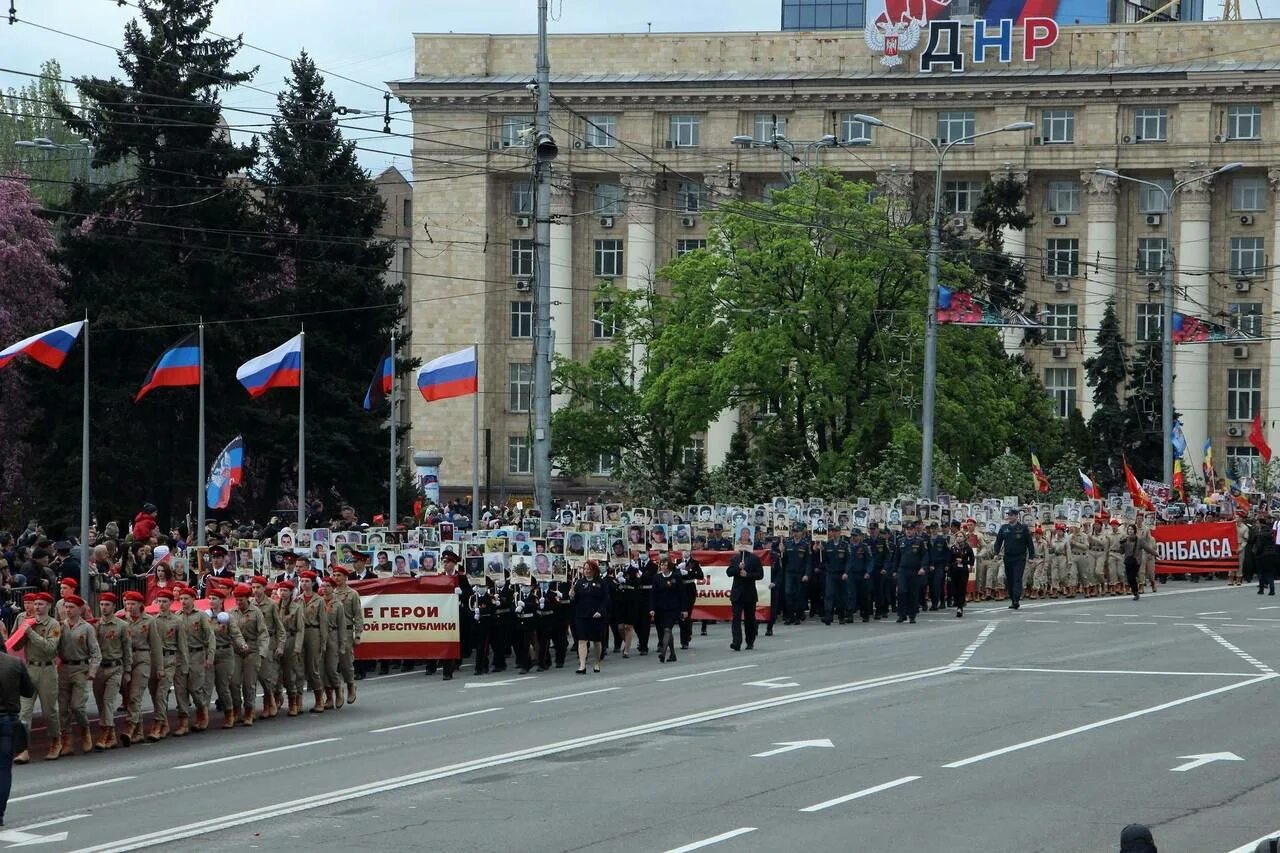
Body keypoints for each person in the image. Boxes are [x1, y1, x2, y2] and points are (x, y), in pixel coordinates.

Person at [14, 591, 61, 761]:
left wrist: (31, 633)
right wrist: (22, 631)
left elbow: (50, 648)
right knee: (24, 711)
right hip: (30, 668)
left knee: (50, 711)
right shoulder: (27, 622)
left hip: (47, 670)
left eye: (41, 604)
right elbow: (16, 644)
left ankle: (56, 740)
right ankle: (23, 749)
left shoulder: (53, 625)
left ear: (48, 606)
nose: (37, 607)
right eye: (35, 604)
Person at [55, 593, 101, 756]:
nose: (68, 610)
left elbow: (96, 653)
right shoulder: (60, 626)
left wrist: (92, 671)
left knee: (77, 706)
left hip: (80, 668)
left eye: (71, 607)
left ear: (80, 609)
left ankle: (85, 730)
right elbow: (53, 648)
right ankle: (67, 740)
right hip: (63, 669)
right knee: (63, 708)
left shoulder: (87, 628)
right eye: (66, 607)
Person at [92, 592, 131, 750]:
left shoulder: (122, 626)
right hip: (99, 668)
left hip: (115, 668)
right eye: (101, 604)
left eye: (107, 604)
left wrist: (127, 671)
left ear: (114, 606)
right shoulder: (95, 626)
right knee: (100, 703)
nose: (104, 608)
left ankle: (105, 732)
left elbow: (127, 649)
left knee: (108, 701)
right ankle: (112, 735)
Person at [122, 590, 161, 746]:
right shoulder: (122, 620)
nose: (129, 607)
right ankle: (138, 731)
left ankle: (130, 727)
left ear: (140, 605)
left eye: (132, 604)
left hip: (143, 658)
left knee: (135, 695)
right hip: (126, 660)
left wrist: (159, 667)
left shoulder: (149, 621)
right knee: (128, 696)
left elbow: (156, 646)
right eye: (127, 603)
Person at [0, 648, 34, 825]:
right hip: (8, 720)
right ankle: (0, 813)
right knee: (4, 769)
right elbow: (28, 691)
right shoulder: (14, 663)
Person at [174, 586, 214, 734]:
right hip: (180, 657)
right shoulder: (176, 616)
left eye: (186, 598)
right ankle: (183, 722)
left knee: (196, 688)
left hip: (197, 655)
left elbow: (210, 638)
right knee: (180, 690)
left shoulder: (201, 616)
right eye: (181, 599)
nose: (183, 601)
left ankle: (202, 713)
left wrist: (210, 657)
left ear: (193, 599)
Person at [570, 560, 609, 673]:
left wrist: (600, 611)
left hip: (596, 616)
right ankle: (582, 665)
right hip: (582, 615)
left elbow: (605, 599)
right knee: (582, 640)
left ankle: (596, 662)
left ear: (594, 571)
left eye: (589, 569)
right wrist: (572, 595)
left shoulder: (601, 583)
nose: (586, 571)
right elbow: (575, 600)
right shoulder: (579, 582)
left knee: (596, 641)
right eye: (585, 569)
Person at [994, 508, 1035, 610]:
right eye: (1009, 515)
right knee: (1009, 579)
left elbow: (1029, 543)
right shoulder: (1004, 528)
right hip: (1008, 557)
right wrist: (996, 553)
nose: (1010, 517)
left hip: (1019, 557)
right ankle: (1013, 600)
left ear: (1017, 516)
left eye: (1012, 515)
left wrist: (1031, 557)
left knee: (1017, 578)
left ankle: (1016, 599)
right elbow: (998, 542)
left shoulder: (1023, 528)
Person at [649, 556, 686, 663]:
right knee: (665, 632)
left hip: (673, 608)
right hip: (660, 608)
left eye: (665, 565)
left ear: (669, 566)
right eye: (661, 564)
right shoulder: (657, 577)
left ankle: (663, 653)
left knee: (667, 629)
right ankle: (673, 654)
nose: (663, 567)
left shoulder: (676, 577)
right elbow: (653, 594)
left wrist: (684, 609)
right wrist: (652, 608)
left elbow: (682, 594)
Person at [727, 546, 764, 651]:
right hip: (737, 594)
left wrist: (747, 575)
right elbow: (729, 572)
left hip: (749, 593)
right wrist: (738, 568)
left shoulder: (755, 559)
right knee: (736, 618)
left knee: (750, 619)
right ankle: (736, 642)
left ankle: (750, 641)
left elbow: (760, 575)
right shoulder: (735, 558)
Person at [895, 520, 927, 624]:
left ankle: (912, 615)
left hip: (915, 571)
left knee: (913, 593)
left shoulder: (919, 541)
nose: (909, 531)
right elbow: (896, 557)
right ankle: (901, 614)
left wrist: (923, 567)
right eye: (907, 529)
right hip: (903, 570)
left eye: (911, 529)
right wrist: (894, 570)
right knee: (902, 592)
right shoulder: (900, 541)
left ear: (914, 530)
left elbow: (924, 556)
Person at [948, 529, 975, 617]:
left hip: (963, 571)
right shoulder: (953, 547)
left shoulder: (968, 548)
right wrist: (952, 565)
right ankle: (957, 602)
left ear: (964, 538)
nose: (959, 538)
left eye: (961, 536)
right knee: (954, 590)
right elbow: (949, 560)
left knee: (961, 589)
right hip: (954, 571)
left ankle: (960, 607)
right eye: (957, 537)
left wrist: (963, 561)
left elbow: (971, 560)